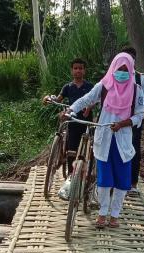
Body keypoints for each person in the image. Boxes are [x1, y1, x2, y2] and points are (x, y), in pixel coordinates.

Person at [64, 53, 144, 228]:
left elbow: (140, 114)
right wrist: (71, 110)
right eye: (119, 69)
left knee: (122, 181)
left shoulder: (136, 90)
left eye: (125, 70)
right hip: (104, 139)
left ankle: (115, 215)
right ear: (113, 68)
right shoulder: (104, 86)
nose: (122, 72)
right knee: (104, 180)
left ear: (131, 70)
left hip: (123, 141)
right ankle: (102, 214)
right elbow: (87, 99)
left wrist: (124, 123)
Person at [43, 58, 93, 198]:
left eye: (81, 68)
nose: (78, 71)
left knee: (84, 150)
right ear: (72, 70)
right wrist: (49, 99)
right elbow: (59, 99)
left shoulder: (89, 86)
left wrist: (89, 108)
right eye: (75, 68)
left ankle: (83, 175)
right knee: (71, 149)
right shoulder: (68, 87)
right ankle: (71, 175)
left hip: (85, 122)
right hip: (72, 122)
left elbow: (93, 100)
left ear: (84, 70)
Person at [120, 46, 144, 190]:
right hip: (117, 119)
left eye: (131, 59)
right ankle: (116, 181)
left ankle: (133, 183)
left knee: (134, 149)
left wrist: (137, 109)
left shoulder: (141, 79)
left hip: (134, 120)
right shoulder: (115, 77)